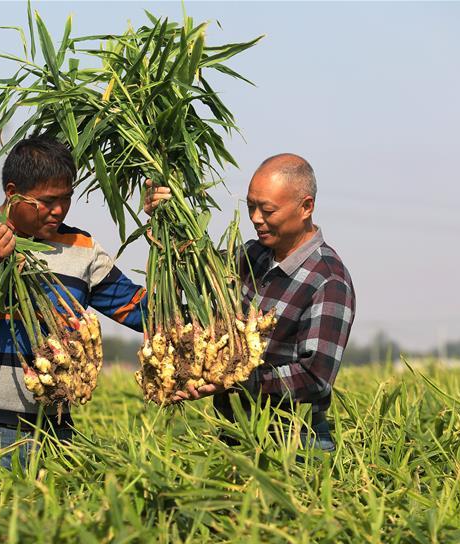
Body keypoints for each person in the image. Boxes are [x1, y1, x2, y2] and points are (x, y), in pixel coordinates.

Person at [0, 136, 147, 469]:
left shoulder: (82, 248)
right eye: (47, 201)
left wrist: (167, 242)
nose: (59, 210)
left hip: (55, 432)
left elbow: (143, 312)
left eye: (66, 198)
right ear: (12, 191)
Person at [145, 153, 355, 452]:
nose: (256, 219)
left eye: (267, 210)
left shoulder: (328, 280)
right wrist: (166, 215)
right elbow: (191, 269)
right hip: (234, 434)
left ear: (306, 207)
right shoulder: (252, 255)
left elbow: (314, 378)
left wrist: (234, 379)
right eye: (251, 206)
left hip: (294, 443)